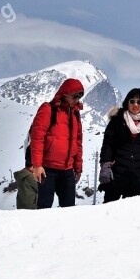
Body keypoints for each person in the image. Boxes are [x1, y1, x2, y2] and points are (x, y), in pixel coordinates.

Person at [98, 88, 140, 202]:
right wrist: (105, 166)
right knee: (109, 211)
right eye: (132, 101)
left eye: (139, 102)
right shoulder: (117, 119)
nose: (135, 105)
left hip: (139, 177)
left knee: (134, 214)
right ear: (127, 102)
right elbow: (108, 144)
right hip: (116, 174)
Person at [29, 78, 84, 209]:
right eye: (75, 96)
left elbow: (78, 142)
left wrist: (78, 168)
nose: (78, 99)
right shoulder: (48, 109)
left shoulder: (75, 114)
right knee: (44, 208)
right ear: (65, 94)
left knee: (68, 210)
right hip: (47, 170)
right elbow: (37, 138)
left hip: (67, 171)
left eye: (80, 96)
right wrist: (37, 166)